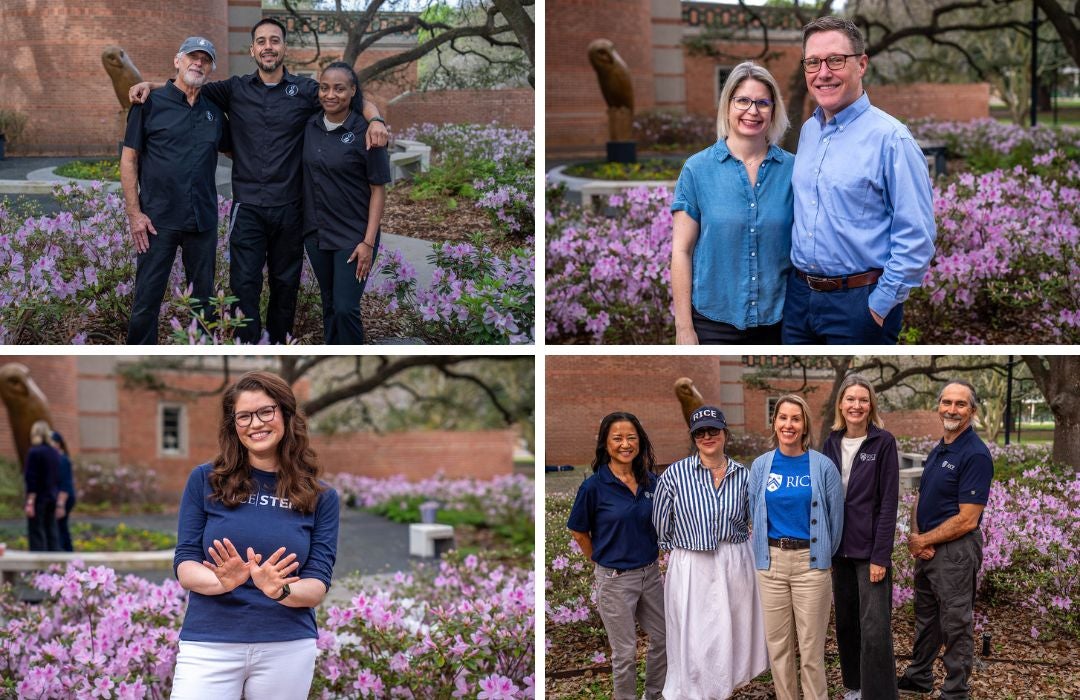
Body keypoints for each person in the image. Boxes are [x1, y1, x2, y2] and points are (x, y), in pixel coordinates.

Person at [131, 19, 389, 344]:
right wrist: (150, 85)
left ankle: (279, 345)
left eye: (275, 40)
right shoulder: (234, 89)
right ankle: (247, 347)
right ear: (252, 49)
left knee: (285, 286)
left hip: (290, 209)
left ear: (284, 48)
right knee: (244, 286)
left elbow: (351, 97)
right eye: (262, 41)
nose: (268, 46)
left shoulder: (307, 90)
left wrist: (375, 118)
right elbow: (186, 84)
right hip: (248, 208)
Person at [171, 371, 339, 699]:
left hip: (286, 646)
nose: (255, 423)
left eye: (266, 411)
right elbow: (185, 562)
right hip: (209, 643)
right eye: (244, 416)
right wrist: (221, 583)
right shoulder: (205, 480)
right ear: (233, 425)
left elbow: (317, 585)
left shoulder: (321, 496)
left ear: (286, 415)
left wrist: (280, 589)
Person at [784, 16, 936, 345]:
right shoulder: (809, 132)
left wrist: (879, 306)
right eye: (813, 62)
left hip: (859, 303)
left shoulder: (891, 139)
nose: (823, 72)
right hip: (799, 301)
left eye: (835, 60)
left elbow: (917, 237)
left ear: (861, 64)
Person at [671, 61, 793, 344]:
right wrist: (684, 328)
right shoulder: (697, 170)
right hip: (713, 322)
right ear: (728, 105)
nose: (753, 111)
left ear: (773, 110)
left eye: (763, 102)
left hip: (781, 321)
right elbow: (681, 251)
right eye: (743, 101)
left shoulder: (793, 171)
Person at [652, 405, 769, 699]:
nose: (707, 436)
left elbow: (753, 517)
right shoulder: (675, 475)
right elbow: (661, 524)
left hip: (734, 559)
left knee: (731, 629)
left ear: (725, 434)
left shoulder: (744, 475)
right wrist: (680, 548)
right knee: (695, 634)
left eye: (713, 430)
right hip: (692, 562)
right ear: (693, 438)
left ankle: (725, 688)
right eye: (700, 432)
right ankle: (696, 691)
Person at [121, 37, 229, 344]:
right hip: (157, 222)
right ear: (177, 61)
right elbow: (129, 160)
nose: (198, 63)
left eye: (205, 59)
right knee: (146, 303)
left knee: (204, 305)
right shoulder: (149, 104)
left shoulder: (214, 114)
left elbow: (236, 151)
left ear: (211, 69)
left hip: (202, 222)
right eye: (191, 57)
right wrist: (135, 213)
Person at [898, 380, 993, 699]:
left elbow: (968, 518)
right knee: (927, 617)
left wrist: (925, 539)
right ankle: (920, 676)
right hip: (926, 548)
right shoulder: (939, 448)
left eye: (961, 404)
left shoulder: (975, 454)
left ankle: (955, 690)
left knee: (955, 622)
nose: (952, 409)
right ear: (938, 406)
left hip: (955, 552)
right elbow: (922, 496)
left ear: (973, 411)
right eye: (947, 402)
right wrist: (916, 537)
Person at [748, 394, 843, 700]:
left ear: (805, 426)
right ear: (774, 423)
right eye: (783, 418)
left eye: (795, 419)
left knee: (812, 649)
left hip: (811, 566)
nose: (788, 425)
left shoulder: (822, 467)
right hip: (771, 564)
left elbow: (835, 519)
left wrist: (823, 558)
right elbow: (754, 512)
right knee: (778, 647)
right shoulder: (761, 466)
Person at [567, 412, 666, 700]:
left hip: (650, 574)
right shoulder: (594, 487)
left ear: (640, 442)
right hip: (615, 578)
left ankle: (655, 694)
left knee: (663, 638)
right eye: (618, 438)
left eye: (631, 437)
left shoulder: (651, 482)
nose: (626, 444)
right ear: (606, 444)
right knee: (624, 652)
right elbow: (579, 532)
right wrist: (600, 560)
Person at [302, 62, 391, 344]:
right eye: (325, 87)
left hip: (354, 236)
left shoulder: (368, 132)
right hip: (316, 232)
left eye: (339, 88)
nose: (331, 94)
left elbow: (378, 190)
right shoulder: (310, 124)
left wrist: (368, 242)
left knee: (345, 307)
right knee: (328, 303)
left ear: (353, 91)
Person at [822, 376, 899, 700]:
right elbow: (823, 499)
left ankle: (879, 694)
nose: (856, 405)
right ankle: (854, 687)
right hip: (839, 551)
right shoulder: (831, 442)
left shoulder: (883, 442)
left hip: (870, 554)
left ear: (871, 406)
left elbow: (888, 503)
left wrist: (881, 556)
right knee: (847, 624)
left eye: (863, 400)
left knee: (874, 629)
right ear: (841, 404)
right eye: (850, 399)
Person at [24, 420, 61, 552]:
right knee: (51, 530)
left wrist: (30, 501)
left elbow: (31, 478)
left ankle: (38, 568)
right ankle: (55, 565)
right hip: (52, 495)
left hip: (38, 498)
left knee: (36, 531)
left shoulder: (34, 452)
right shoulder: (54, 453)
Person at [51, 431, 76, 553]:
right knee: (61, 526)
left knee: (60, 526)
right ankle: (68, 554)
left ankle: (65, 554)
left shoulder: (62, 460)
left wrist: (60, 504)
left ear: (58, 444)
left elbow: (65, 484)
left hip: (65, 497)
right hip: (61, 497)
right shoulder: (57, 459)